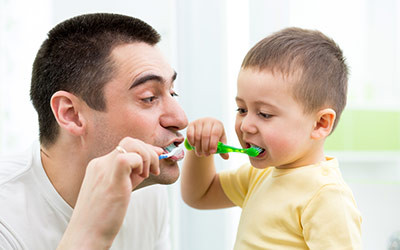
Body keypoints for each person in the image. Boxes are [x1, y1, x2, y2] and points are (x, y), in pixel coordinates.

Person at [0, 13, 187, 249]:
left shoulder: (143, 189)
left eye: (173, 93)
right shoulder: (5, 221)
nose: (181, 119)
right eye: (149, 97)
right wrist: (89, 236)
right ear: (71, 114)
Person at [181, 27, 362, 249]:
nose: (246, 125)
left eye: (264, 114)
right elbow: (200, 195)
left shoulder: (326, 195)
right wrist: (199, 149)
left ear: (320, 123)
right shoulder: (259, 175)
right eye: (241, 109)